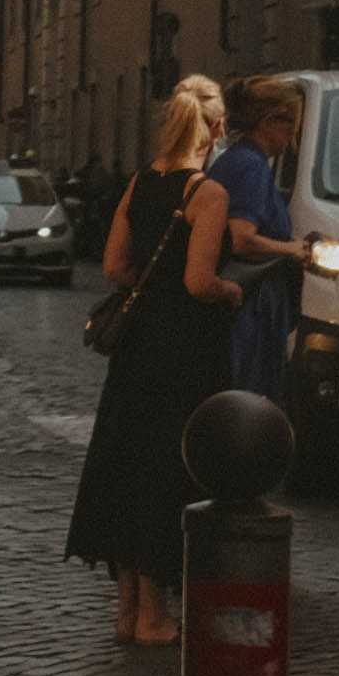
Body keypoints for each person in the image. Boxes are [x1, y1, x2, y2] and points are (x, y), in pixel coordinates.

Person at [64, 83, 248, 645]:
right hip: (183, 349)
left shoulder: (138, 183)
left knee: (128, 467)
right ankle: (155, 615)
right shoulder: (206, 193)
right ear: (215, 131)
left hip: (136, 347)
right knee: (170, 472)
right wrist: (230, 292)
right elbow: (198, 281)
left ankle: (127, 612)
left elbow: (114, 264)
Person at [209, 76, 309, 400]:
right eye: (291, 122)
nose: (293, 133)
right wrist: (292, 249)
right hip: (252, 307)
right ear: (269, 122)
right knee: (249, 395)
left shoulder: (242, 161)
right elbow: (241, 238)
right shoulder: (249, 166)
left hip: (254, 304)